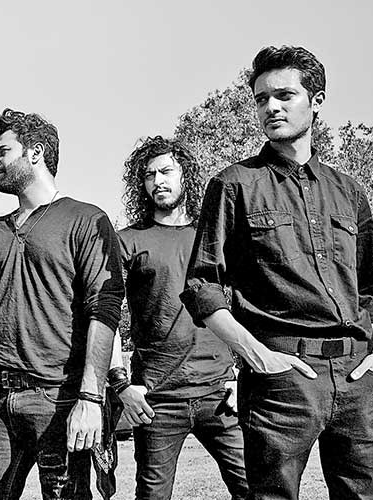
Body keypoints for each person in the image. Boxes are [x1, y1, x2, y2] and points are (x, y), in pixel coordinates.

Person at [181, 46, 373, 500]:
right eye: (261, 99)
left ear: (317, 100)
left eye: (284, 95)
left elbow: (372, 288)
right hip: (282, 377)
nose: (270, 107)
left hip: (356, 374)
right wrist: (256, 355)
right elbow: (201, 285)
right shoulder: (233, 185)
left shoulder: (349, 191)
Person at [0, 108, 124, 500]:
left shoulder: (85, 220)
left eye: (2, 151)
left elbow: (104, 310)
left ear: (35, 152)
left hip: (59, 398)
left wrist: (92, 398)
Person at [116, 136, 248, 500]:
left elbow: (246, 306)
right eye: (149, 175)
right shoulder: (127, 241)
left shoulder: (215, 238)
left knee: (257, 489)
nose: (157, 181)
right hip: (156, 399)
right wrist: (121, 385)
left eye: (166, 171)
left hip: (221, 393)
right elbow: (105, 314)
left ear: (185, 175)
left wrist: (245, 375)